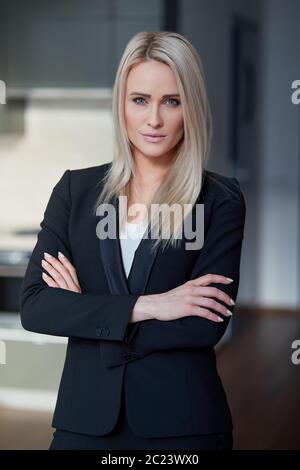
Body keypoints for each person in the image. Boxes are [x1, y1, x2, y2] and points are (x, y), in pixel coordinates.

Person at [19, 31, 246, 450]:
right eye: (140, 100)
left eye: (171, 101)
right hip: (83, 420)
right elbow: (35, 307)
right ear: (121, 105)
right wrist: (151, 306)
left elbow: (203, 325)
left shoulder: (220, 199)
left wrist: (87, 313)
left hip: (182, 424)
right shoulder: (76, 191)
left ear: (191, 107)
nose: (153, 120)